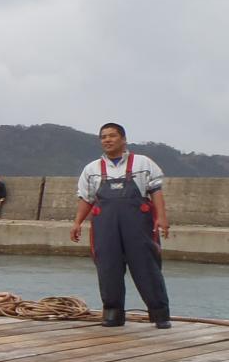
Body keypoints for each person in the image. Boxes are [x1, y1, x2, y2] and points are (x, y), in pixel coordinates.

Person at [71, 123, 170, 328]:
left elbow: (156, 191)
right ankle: (113, 314)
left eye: (112, 136)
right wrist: (77, 222)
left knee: (146, 267)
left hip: (139, 226)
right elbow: (87, 199)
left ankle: (160, 314)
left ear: (123, 139)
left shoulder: (143, 163)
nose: (107, 140)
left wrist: (161, 217)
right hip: (105, 227)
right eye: (103, 137)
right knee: (108, 268)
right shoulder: (92, 169)